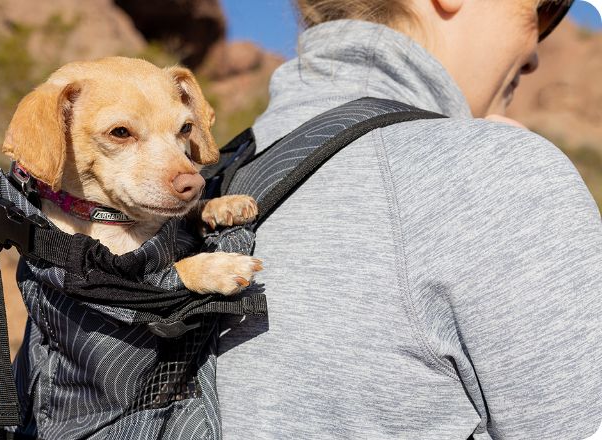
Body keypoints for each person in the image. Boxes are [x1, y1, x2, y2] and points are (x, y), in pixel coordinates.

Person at [216, 0, 602, 438]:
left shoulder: (201, 184)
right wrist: (511, 178)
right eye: (543, 9)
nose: (534, 54)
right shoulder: (494, 175)